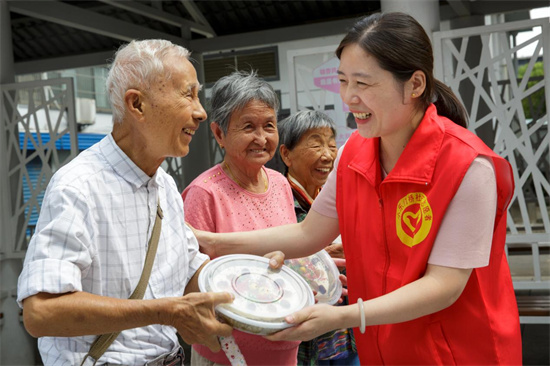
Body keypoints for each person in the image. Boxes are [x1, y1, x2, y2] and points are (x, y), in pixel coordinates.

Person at [194, 12, 523, 365]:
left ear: (414, 85)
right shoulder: (354, 155)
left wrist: (346, 316)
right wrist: (214, 243)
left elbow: (444, 285)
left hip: (459, 353)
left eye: (363, 84)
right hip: (384, 351)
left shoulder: (468, 166)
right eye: (343, 81)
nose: (349, 98)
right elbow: (308, 234)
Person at [16, 39, 234, 366]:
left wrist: (262, 282)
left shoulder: (165, 185)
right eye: (188, 94)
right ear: (137, 105)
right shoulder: (78, 185)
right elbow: (41, 311)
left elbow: (191, 270)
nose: (200, 111)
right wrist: (165, 312)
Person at [181, 70, 299, 365]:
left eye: (269, 126)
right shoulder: (204, 193)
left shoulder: (281, 183)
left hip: (284, 346)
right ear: (219, 133)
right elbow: (188, 286)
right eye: (248, 127)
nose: (261, 138)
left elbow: (292, 251)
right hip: (228, 355)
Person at [278, 110, 359, 366]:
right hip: (304, 335)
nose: (327, 155)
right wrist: (319, 256)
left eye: (332, 146)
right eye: (315, 144)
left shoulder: (339, 196)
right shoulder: (278, 201)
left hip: (346, 330)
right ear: (286, 154)